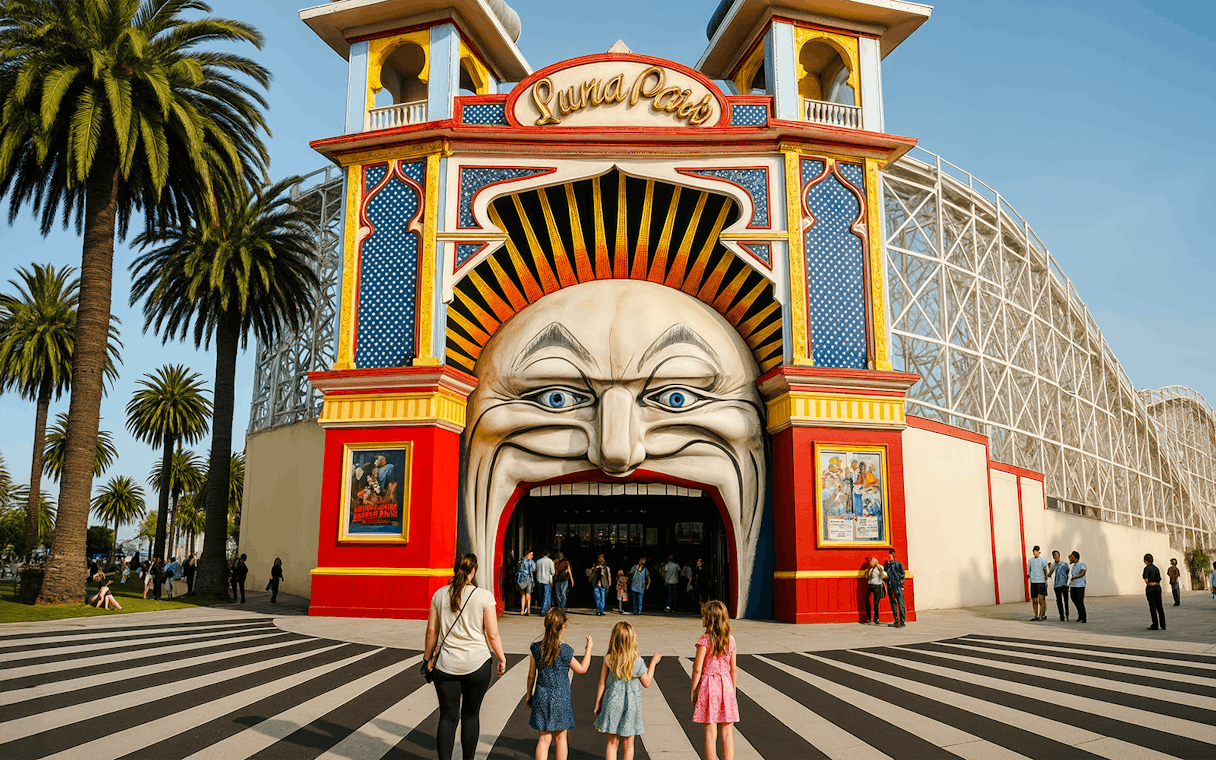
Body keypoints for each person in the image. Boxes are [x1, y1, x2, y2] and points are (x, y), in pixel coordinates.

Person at [423, 553, 507, 760]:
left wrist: (427, 659)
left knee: (448, 717)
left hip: (446, 665)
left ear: (455, 569)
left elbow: (431, 632)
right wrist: (501, 657)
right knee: (471, 716)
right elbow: (492, 634)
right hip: (477, 664)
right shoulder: (484, 596)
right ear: (473, 571)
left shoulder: (439, 595)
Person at [526, 609, 593, 760]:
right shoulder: (565, 651)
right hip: (561, 698)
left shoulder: (536, 648)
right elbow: (582, 669)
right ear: (562, 628)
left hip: (541, 695)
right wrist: (589, 648)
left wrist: (529, 695)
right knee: (561, 739)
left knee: (544, 740)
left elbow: (531, 675)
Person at [594, 621, 661, 760]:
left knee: (612, 743)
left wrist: (598, 703)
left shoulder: (609, 659)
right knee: (628, 744)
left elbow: (602, 683)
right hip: (631, 706)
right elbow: (647, 682)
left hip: (611, 703)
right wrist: (653, 662)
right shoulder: (636, 661)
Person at [691, 600, 738, 760]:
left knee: (710, 732)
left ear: (709, 620)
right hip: (726, 684)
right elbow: (733, 669)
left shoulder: (704, 640)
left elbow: (697, 668)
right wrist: (733, 691)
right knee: (727, 732)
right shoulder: (730, 640)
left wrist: (693, 690)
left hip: (708, 686)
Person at [884, 548, 907, 627]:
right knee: (893, 604)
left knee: (901, 604)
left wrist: (899, 581)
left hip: (897, 586)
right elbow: (886, 577)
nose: (889, 557)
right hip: (891, 587)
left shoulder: (898, 564)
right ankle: (896, 620)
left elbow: (903, 574)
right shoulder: (887, 567)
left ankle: (902, 621)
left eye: (890, 555)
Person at [1143, 553, 1166, 631]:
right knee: (1160, 607)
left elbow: (1146, 580)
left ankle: (1155, 624)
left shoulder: (1147, 569)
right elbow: (1159, 578)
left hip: (1151, 588)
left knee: (1152, 607)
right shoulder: (1156, 568)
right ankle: (1163, 624)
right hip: (1158, 587)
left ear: (1145, 561)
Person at [1026, 546, 1049, 621]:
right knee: (1034, 599)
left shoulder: (1043, 560)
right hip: (1033, 581)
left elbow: (1046, 569)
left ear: (1039, 552)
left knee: (1041, 599)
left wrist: (1046, 579)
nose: (1035, 552)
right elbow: (1028, 569)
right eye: (1034, 551)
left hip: (1041, 581)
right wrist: (1028, 574)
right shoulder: (1031, 560)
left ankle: (1041, 615)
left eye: (1037, 551)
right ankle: (1035, 615)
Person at [1047, 550, 1070, 621]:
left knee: (1066, 600)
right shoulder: (1053, 565)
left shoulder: (1065, 564)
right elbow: (1050, 573)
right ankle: (1061, 615)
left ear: (1059, 555)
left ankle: (1067, 614)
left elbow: (1068, 572)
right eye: (1053, 555)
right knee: (1059, 600)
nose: (1055, 556)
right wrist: (1049, 571)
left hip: (1064, 584)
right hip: (1057, 585)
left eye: (1056, 554)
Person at [864, 557, 885, 625]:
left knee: (876, 603)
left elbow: (883, 572)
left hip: (877, 586)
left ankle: (876, 618)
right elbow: (867, 576)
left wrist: (878, 566)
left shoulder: (879, 567)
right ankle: (869, 617)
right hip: (871, 585)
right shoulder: (870, 569)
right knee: (867, 599)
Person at [1068, 551, 1087, 623]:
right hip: (1073, 585)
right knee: (1074, 599)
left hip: (1080, 585)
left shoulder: (1081, 564)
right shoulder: (1073, 565)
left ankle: (1083, 617)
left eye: (1072, 557)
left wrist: (1074, 577)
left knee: (1080, 601)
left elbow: (1083, 573)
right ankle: (1080, 615)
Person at [536, 550, 556, 614]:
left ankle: (545, 607)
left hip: (539, 579)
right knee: (546, 595)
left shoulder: (538, 561)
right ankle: (544, 609)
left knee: (541, 595)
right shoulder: (550, 561)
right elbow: (553, 572)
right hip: (547, 580)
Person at [517, 550, 536, 616]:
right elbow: (534, 569)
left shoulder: (521, 561)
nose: (532, 556)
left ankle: (522, 610)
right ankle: (528, 609)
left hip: (521, 579)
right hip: (528, 579)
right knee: (528, 594)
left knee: (522, 595)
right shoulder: (531, 562)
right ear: (527, 554)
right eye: (530, 555)